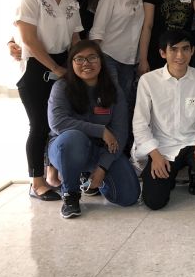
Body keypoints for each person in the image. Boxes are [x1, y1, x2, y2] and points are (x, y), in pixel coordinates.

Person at [15, 0, 83, 201]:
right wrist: (55, 68)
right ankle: (37, 182)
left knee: (59, 124)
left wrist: (77, 65)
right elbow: (28, 39)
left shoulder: (71, 2)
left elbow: (75, 39)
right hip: (36, 66)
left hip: (64, 64)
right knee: (39, 125)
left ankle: (54, 175)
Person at [47, 41, 141, 218]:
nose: (86, 63)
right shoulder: (61, 87)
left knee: (128, 196)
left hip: (100, 150)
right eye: (79, 59)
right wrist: (101, 131)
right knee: (74, 138)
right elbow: (58, 123)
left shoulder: (113, 90)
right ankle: (70, 194)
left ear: (101, 62)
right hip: (66, 149)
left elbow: (120, 133)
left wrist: (102, 168)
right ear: (71, 63)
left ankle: (91, 180)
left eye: (92, 58)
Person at [132, 30, 195, 210]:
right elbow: (140, 124)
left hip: (193, 142)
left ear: (192, 51)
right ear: (162, 53)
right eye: (173, 49)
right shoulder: (148, 81)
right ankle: (169, 176)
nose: (180, 55)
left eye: (185, 49)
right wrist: (155, 156)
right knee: (154, 202)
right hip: (162, 147)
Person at [89, 0, 153, 115]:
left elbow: (145, 29)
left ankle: (120, 132)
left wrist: (142, 60)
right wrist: (96, 60)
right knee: (110, 102)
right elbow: (97, 31)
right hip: (108, 56)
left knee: (126, 104)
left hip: (131, 61)